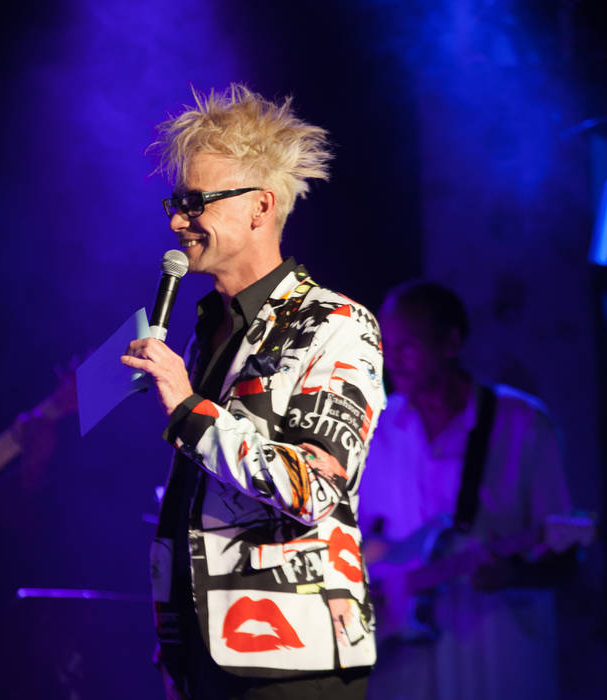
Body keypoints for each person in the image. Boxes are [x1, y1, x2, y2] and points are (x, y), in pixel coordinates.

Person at [122, 84, 386, 699]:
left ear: (260, 208)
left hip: (293, 657)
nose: (176, 220)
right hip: (201, 655)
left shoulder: (337, 325)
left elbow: (314, 486)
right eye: (175, 201)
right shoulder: (208, 328)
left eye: (196, 202)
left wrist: (189, 411)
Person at [357, 280, 575, 700]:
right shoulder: (374, 432)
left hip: (499, 660)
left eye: (409, 344)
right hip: (403, 670)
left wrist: (517, 574)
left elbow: (566, 556)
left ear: (451, 342)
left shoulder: (524, 425)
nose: (392, 358)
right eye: (386, 343)